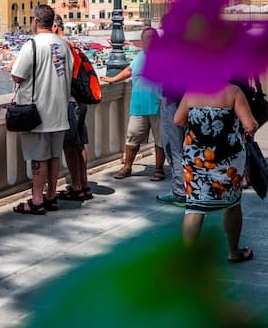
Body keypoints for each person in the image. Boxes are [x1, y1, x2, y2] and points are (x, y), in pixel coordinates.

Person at [174, 84, 258, 260]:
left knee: (194, 207)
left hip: (196, 159)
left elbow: (178, 120)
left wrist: (201, 127)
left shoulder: (192, 92)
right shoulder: (233, 92)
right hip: (227, 160)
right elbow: (250, 125)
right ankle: (233, 252)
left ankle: (187, 259)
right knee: (232, 204)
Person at [11, 4, 73, 215]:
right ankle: (51, 196)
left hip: (37, 112)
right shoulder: (64, 45)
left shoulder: (32, 45)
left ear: (36, 21)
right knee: (54, 156)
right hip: (60, 111)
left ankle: (37, 200)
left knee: (39, 158)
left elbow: (17, 75)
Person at [100, 26, 165, 181]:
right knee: (132, 137)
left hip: (159, 106)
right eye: (147, 38)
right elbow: (128, 71)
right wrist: (112, 79)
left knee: (160, 140)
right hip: (138, 106)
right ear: (142, 41)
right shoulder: (139, 56)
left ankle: (158, 169)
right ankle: (127, 167)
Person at [53, 14, 93, 201]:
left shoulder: (60, 47)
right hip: (81, 101)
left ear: (55, 27)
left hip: (71, 102)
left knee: (69, 145)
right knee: (79, 144)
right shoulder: (73, 45)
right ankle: (84, 185)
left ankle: (76, 186)